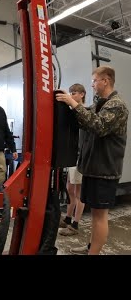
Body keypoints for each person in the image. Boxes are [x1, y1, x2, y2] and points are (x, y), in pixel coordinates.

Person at [56, 66, 128, 255]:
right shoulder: (100, 103)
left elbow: (98, 125)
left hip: (105, 170)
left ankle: (93, 253)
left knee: (99, 216)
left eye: (95, 80)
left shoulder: (116, 105)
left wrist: (74, 103)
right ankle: (91, 247)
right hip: (93, 168)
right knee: (95, 214)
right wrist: (68, 105)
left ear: (105, 80)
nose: (92, 84)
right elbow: (85, 119)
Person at [59, 83, 86, 236]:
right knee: (70, 189)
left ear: (82, 94)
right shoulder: (72, 113)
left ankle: (75, 225)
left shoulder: (85, 112)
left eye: (74, 93)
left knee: (78, 192)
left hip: (80, 157)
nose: (71, 95)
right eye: (70, 92)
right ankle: (68, 219)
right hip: (71, 156)